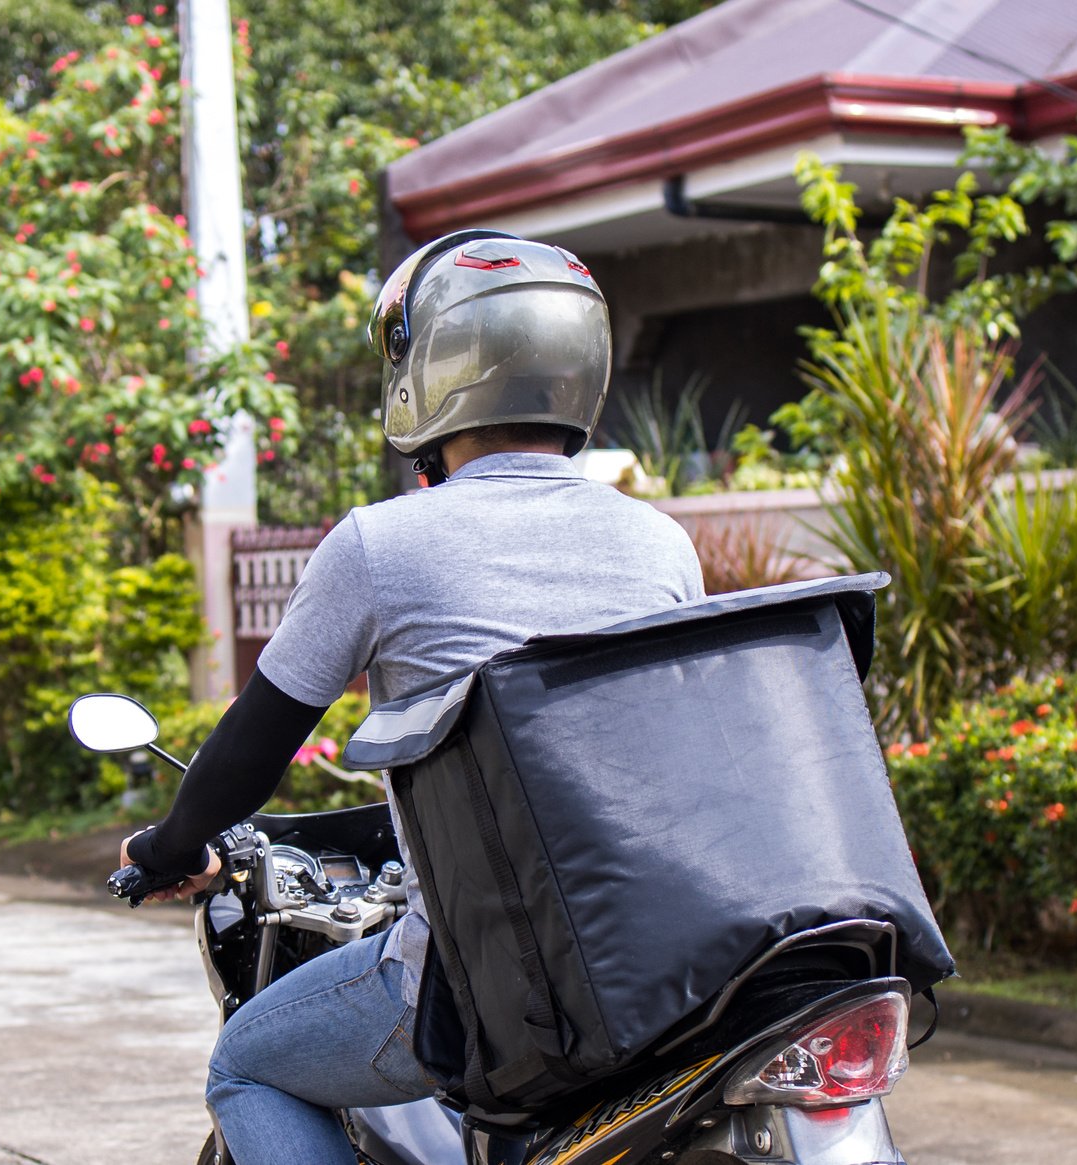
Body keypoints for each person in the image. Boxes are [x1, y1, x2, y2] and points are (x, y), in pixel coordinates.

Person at [120, 229, 705, 1164]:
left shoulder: (379, 544)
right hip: (667, 966)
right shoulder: (660, 543)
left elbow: (253, 744)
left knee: (246, 1064)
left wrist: (169, 844)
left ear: (427, 375)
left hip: (489, 985)